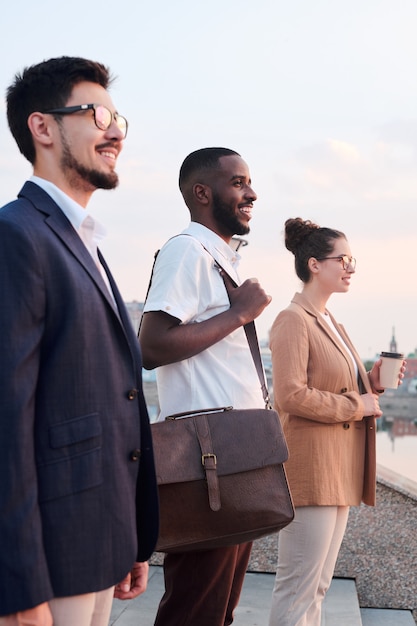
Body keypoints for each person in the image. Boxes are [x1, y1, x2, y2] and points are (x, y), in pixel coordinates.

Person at [0, 57, 159, 626]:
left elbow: (109, 401)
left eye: (118, 117)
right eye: (96, 114)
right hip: (49, 559)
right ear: (42, 127)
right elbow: (7, 420)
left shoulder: (85, 240)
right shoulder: (16, 234)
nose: (115, 130)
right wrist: (16, 591)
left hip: (98, 542)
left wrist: (129, 536)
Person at [139, 147, 272, 626]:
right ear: (201, 192)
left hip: (232, 454)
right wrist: (240, 313)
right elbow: (151, 346)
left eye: (249, 182)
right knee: (196, 609)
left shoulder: (218, 258)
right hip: (207, 460)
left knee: (218, 610)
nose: (251, 192)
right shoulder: (186, 250)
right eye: (237, 182)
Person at [268, 217, 405, 626]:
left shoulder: (331, 322)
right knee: (298, 587)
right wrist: (357, 405)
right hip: (310, 473)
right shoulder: (292, 319)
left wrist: (373, 385)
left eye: (353, 259)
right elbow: (290, 395)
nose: (351, 267)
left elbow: (347, 391)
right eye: (343, 259)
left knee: (318, 586)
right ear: (314, 264)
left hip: (337, 471)